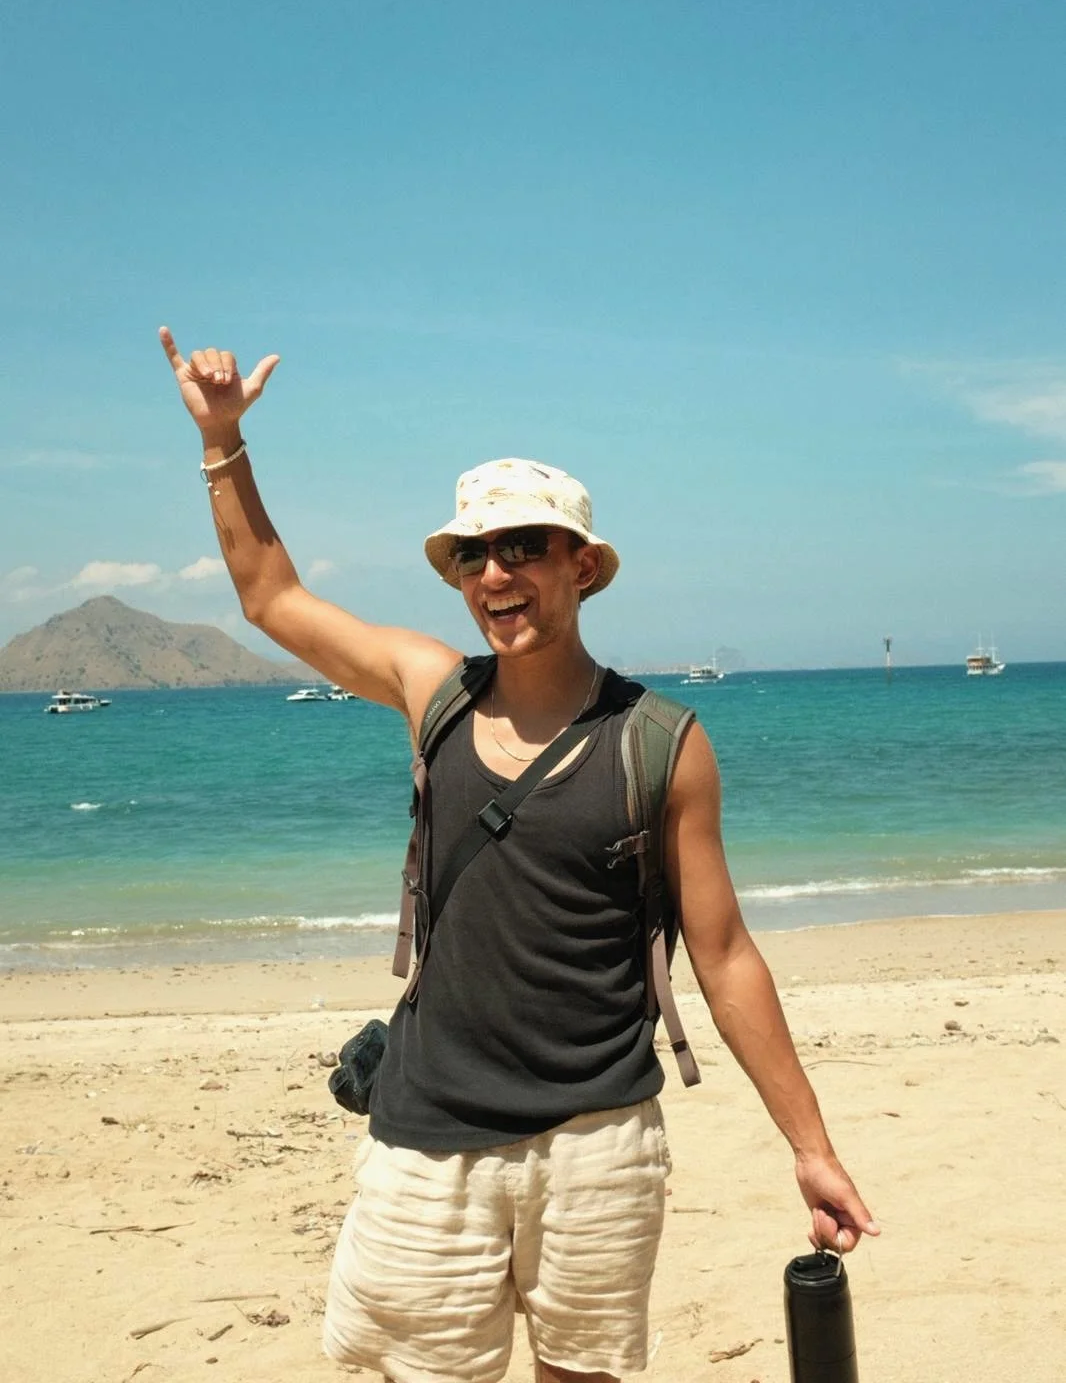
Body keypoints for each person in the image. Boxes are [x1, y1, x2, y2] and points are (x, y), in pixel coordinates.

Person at [160, 328, 879, 1383]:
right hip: (427, 1139)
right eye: (473, 555)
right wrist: (222, 444)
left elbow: (725, 957)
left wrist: (810, 1149)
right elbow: (272, 597)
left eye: (524, 548)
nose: (495, 574)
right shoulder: (433, 693)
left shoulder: (660, 743)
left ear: (581, 566)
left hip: (599, 1145)